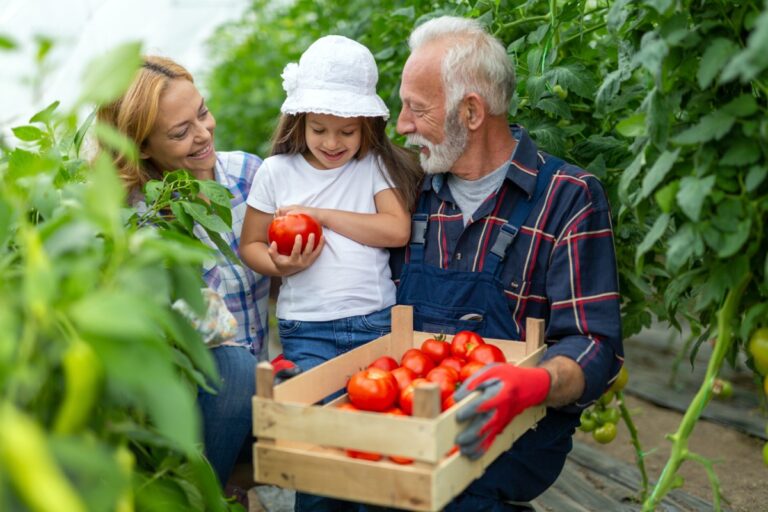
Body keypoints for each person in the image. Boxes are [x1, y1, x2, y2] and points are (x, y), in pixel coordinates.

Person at [391, 16, 624, 510]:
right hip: (405, 417)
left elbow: (595, 340)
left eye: (416, 109)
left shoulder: (566, 197)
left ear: (471, 112)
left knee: (458, 496)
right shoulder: (409, 194)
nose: (402, 126)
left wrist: (537, 381)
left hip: (514, 435)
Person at [238, 35, 422, 511]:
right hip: (309, 331)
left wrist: (321, 215)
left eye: (347, 131)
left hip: (374, 325)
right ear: (299, 122)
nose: (333, 143)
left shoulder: (374, 168)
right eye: (320, 129)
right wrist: (277, 264)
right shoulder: (276, 172)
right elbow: (251, 245)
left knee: (374, 447)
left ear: (366, 127)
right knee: (319, 451)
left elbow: (396, 229)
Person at [96, 56, 271, 498]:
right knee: (233, 367)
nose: (203, 133)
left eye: (203, 112)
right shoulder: (137, 225)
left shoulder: (249, 176)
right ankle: (199, 496)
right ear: (142, 148)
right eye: (180, 132)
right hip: (207, 403)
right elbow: (209, 330)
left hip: (269, 384)